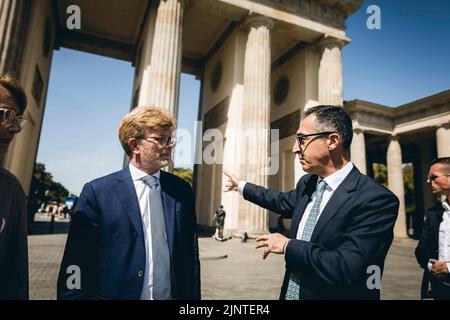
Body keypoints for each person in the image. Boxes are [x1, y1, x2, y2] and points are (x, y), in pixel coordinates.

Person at [224, 105, 399, 300]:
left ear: (332, 141)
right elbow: (281, 201)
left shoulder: (376, 199)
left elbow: (348, 267)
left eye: (302, 139)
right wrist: (241, 185)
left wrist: (288, 246)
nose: (294, 148)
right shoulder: (308, 183)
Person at [57, 106, 201, 300]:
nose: (169, 145)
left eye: (170, 139)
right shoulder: (98, 192)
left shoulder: (181, 190)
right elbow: (76, 261)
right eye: (160, 139)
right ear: (135, 145)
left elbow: (190, 259)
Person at [0, 74, 29, 299]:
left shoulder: (11, 190)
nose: (15, 128)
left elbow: (14, 278)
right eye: (5, 114)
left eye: (17, 118)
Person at [415, 157, 450, 300]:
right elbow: (421, 252)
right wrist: (434, 268)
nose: (428, 181)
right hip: (438, 291)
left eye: (433, 177)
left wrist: (448, 268)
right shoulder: (433, 213)